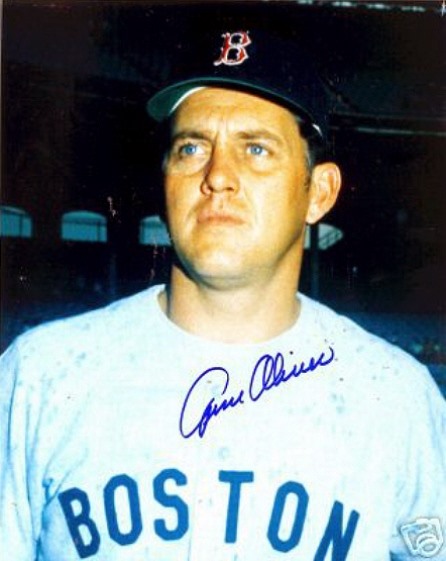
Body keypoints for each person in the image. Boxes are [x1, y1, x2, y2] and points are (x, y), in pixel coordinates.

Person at [1, 28, 445, 561]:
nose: (217, 176)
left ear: (319, 192)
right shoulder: (40, 378)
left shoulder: (396, 398)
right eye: (191, 148)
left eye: (256, 149)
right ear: (165, 179)